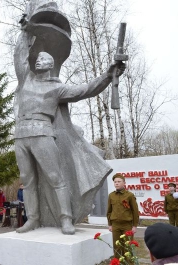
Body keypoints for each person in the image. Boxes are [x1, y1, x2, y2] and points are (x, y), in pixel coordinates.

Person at [13, 2, 127, 234]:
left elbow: (87, 89)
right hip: (21, 135)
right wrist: (26, 31)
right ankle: (33, 218)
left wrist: (108, 73)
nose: (38, 61)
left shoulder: (57, 89)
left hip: (43, 133)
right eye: (37, 59)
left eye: (43, 59)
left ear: (51, 64)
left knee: (55, 176)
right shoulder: (26, 79)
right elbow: (21, 54)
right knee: (28, 180)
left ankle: (65, 218)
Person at [107, 173, 139, 258]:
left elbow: (135, 211)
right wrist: (110, 224)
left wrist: (134, 226)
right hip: (115, 225)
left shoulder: (129, 195)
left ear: (124, 183)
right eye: (115, 182)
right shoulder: (111, 195)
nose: (116, 183)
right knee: (117, 247)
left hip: (127, 225)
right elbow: (109, 211)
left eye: (119, 181)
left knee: (128, 247)